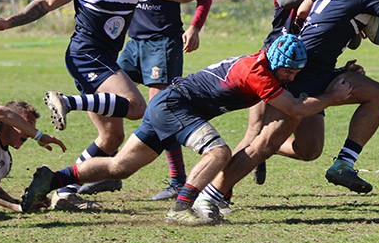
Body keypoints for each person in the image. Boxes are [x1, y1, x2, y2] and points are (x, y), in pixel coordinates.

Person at [0, 0, 225, 210]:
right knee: (136, 107)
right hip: (85, 54)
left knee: (111, 138)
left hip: (105, 58)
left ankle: (63, 190)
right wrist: (7, 21)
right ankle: (68, 102)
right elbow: (45, 3)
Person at [24, 34, 353, 225]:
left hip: (168, 104)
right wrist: (333, 96)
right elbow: (295, 108)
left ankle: (50, 179)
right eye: (289, 72)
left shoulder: (265, 64)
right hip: (175, 106)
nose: (293, 77)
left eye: (297, 72)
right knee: (219, 152)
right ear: (275, 62)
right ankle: (182, 208)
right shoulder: (259, 72)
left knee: (118, 167)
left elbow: (293, 98)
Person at [195, 0, 379, 216]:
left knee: (321, 139)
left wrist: (347, 26)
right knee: (264, 142)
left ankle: (343, 165)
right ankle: (209, 195)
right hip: (300, 73)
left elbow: (301, 11)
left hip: (318, 69)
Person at [68, 0, 212, 202]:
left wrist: (195, 27)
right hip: (133, 43)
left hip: (162, 42)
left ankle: (177, 179)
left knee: (160, 111)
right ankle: (105, 173)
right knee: (110, 106)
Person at [250, 0, 337, 185]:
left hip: (309, 69)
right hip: (273, 62)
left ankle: (268, 148)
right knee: (254, 131)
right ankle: (218, 193)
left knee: (310, 150)